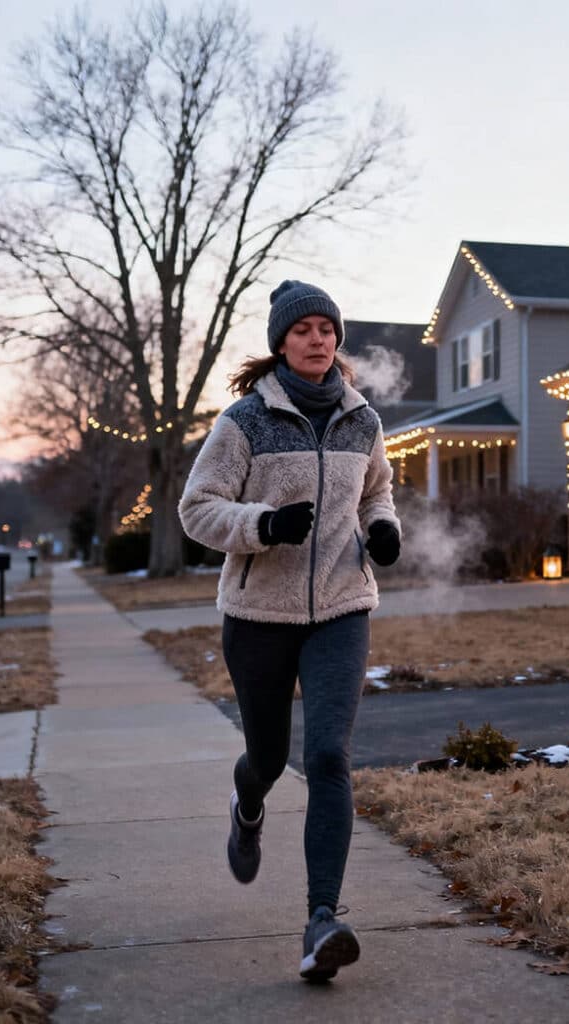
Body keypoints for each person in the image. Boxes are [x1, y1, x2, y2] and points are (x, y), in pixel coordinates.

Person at [178, 280, 401, 983]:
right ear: (280, 341)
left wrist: (384, 529)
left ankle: (321, 920)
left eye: (326, 328)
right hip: (258, 617)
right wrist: (262, 527)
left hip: (341, 607)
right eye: (302, 328)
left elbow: (376, 490)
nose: (317, 338)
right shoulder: (245, 420)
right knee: (269, 759)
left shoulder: (363, 419)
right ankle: (248, 807)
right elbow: (197, 508)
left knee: (330, 755)